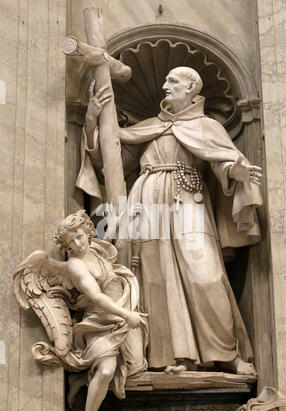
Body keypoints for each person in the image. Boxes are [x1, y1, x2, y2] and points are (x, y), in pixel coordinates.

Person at [76, 66, 263, 376]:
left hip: (189, 200)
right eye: (165, 79)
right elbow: (114, 164)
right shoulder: (149, 127)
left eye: (173, 81)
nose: (164, 85)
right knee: (154, 278)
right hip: (146, 203)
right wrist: (93, 118)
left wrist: (235, 171)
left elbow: (223, 159)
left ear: (191, 88)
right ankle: (168, 356)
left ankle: (225, 353)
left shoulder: (206, 126)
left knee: (207, 275)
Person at [14, 210, 148, 411]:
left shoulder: (96, 250)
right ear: (66, 246)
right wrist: (126, 314)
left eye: (80, 236)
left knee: (136, 367)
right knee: (107, 371)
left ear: (87, 231)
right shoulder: (75, 266)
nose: (78, 243)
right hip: (98, 323)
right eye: (71, 242)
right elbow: (96, 297)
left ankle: (81, 381)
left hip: (119, 315)